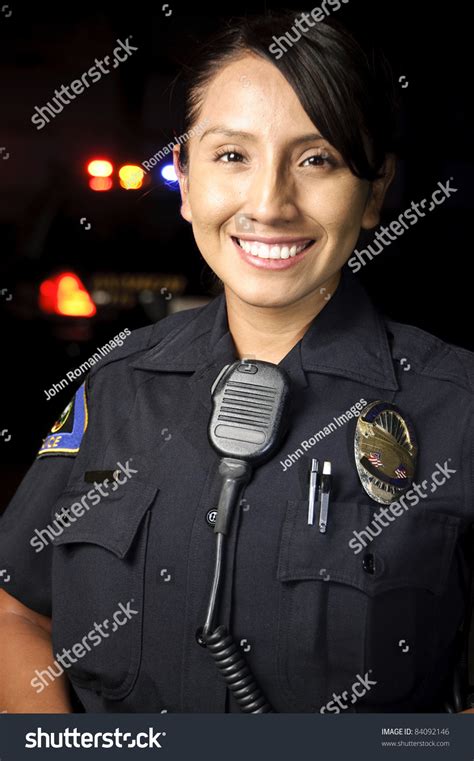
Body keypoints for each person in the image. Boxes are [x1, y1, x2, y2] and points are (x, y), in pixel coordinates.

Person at [1, 12, 473, 714]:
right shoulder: (116, 385)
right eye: (232, 156)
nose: (269, 204)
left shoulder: (458, 406)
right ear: (186, 180)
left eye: (318, 159)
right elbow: (15, 610)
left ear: (374, 193)